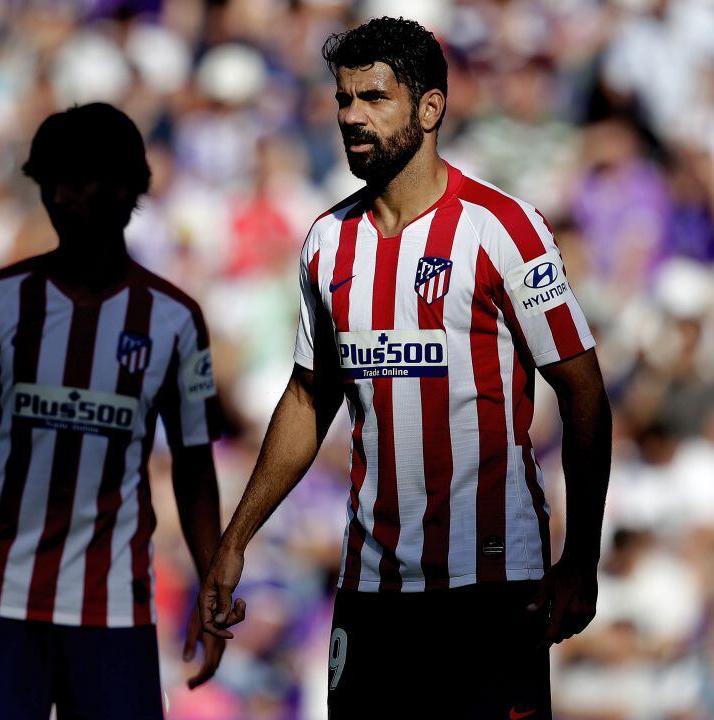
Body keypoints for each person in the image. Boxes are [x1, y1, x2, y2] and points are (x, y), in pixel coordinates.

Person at [197, 17, 612, 719]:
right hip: (374, 589)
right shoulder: (327, 242)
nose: (352, 116)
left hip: (492, 585)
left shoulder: (504, 229)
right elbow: (306, 398)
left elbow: (584, 395)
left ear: (429, 107)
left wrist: (581, 558)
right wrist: (235, 540)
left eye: (374, 98)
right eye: (342, 100)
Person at [0, 103, 226, 719]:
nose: (63, 198)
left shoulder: (173, 320)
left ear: (127, 189)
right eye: (51, 183)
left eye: (79, 181)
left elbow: (194, 463)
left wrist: (212, 581)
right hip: (1, 598)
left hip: (115, 610)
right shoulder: (0, 299)